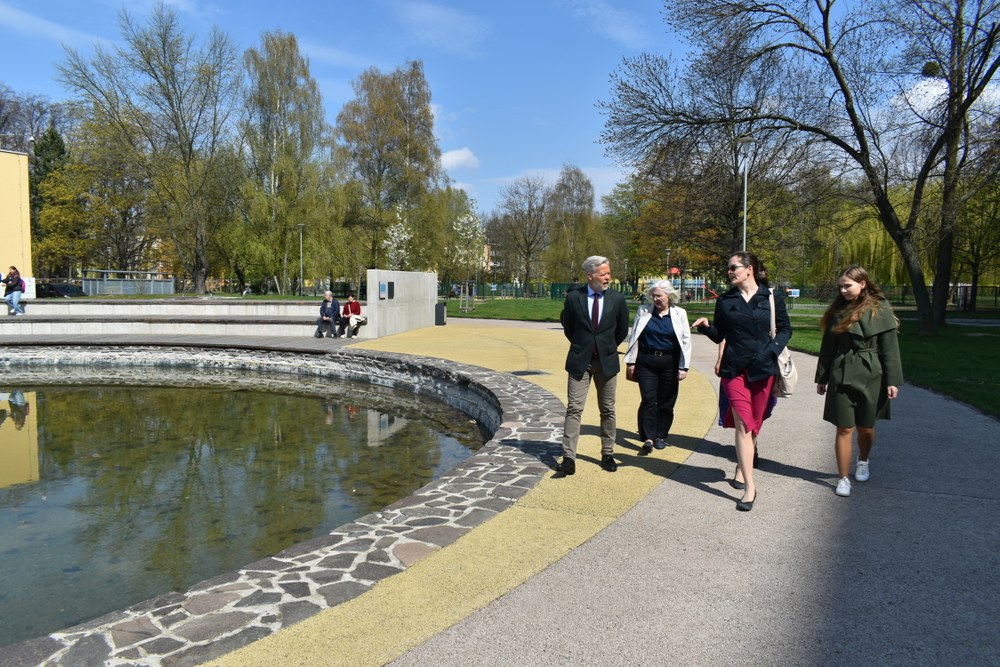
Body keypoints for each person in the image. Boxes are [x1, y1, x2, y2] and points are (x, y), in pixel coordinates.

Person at [692, 252, 792, 511]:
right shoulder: (725, 301)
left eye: (733, 267)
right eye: (728, 268)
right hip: (734, 370)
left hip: (763, 369)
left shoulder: (771, 297)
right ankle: (750, 487)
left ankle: (742, 465)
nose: (729, 272)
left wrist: (771, 351)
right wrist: (705, 327)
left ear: (749, 269)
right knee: (744, 425)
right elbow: (720, 335)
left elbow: (785, 329)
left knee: (756, 424)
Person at [815, 265, 903, 498]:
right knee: (844, 428)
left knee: (867, 428)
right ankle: (843, 478)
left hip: (872, 374)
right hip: (841, 373)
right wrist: (822, 377)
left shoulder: (880, 310)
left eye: (848, 286)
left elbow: (890, 349)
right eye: (840, 286)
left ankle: (863, 460)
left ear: (862, 284)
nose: (843, 290)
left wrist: (892, 381)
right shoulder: (837, 311)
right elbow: (828, 348)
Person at [556, 255, 630, 475]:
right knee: (574, 409)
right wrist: (585, 346)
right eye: (603, 274)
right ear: (590, 276)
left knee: (607, 409)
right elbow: (569, 328)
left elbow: (622, 330)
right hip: (580, 362)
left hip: (606, 363)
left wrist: (605, 347)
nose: (608, 277)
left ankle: (608, 453)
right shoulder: (573, 298)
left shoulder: (617, 299)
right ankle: (569, 458)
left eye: (608, 273)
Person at [623, 279, 692, 455]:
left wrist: (684, 367)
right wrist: (631, 362)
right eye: (653, 296)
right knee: (648, 400)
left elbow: (686, 341)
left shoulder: (680, 313)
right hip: (647, 362)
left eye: (659, 296)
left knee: (667, 402)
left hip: (670, 362)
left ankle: (661, 435)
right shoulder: (644, 311)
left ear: (668, 296)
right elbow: (635, 337)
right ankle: (647, 438)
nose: (655, 299)